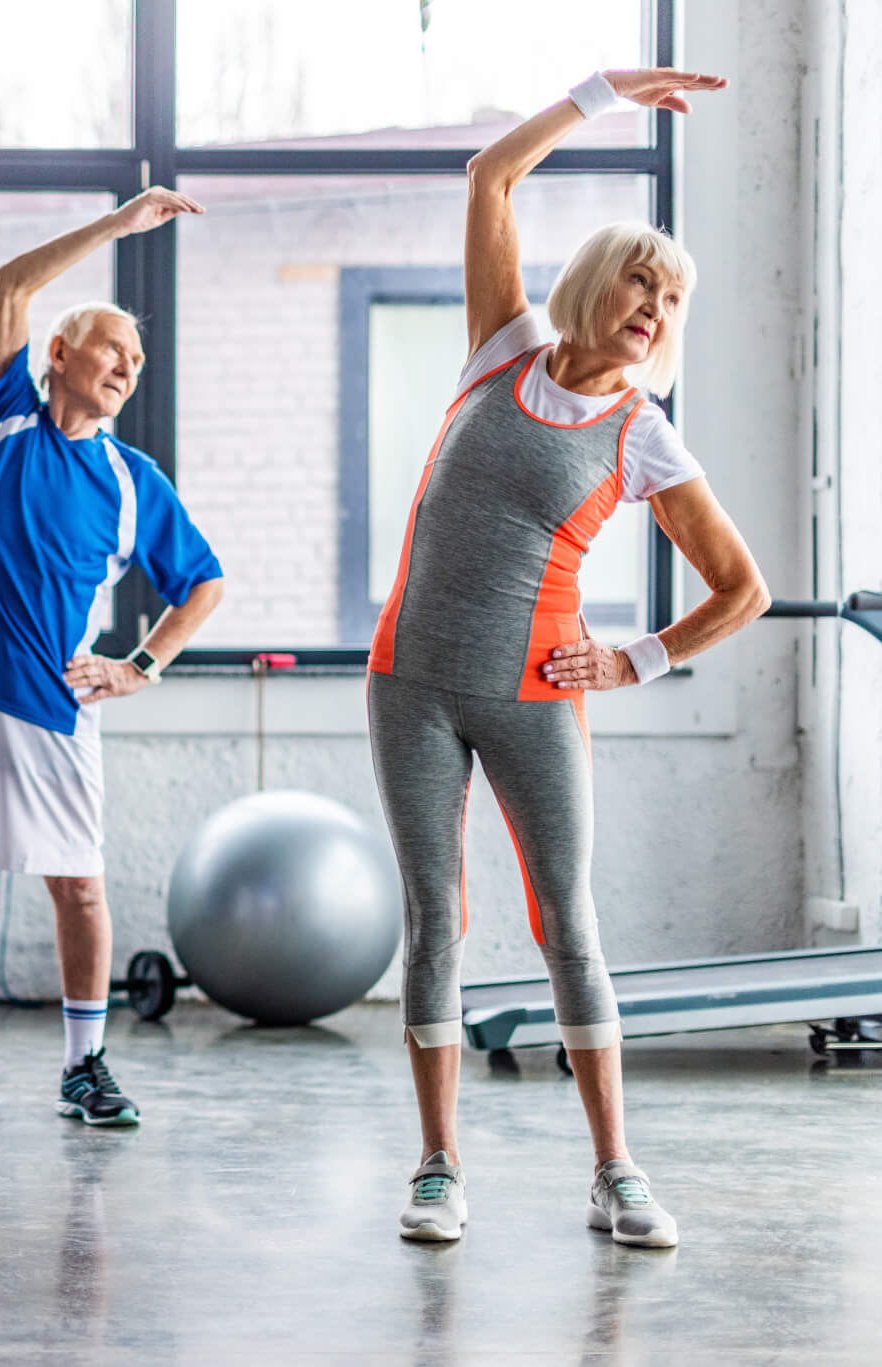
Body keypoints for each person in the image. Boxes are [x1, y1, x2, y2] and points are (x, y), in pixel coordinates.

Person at [368, 67, 767, 1248]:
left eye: (671, 294)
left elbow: (737, 589)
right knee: (433, 918)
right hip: (408, 679)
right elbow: (489, 176)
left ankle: (615, 1170)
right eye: (637, 278)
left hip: (536, 692)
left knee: (567, 927)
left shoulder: (640, 431)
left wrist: (635, 658)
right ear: (594, 285)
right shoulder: (502, 347)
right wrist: (597, 95)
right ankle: (437, 1165)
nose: (652, 303)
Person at [0, 188, 227, 1132]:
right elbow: (12, 281)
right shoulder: (3, 411)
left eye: (136, 360)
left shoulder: (134, 482)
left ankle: (86, 1064)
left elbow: (202, 584)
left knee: (78, 884)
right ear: (59, 354)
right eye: (111, 349)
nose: (127, 366)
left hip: (56, 698)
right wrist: (114, 229)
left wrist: (141, 663)